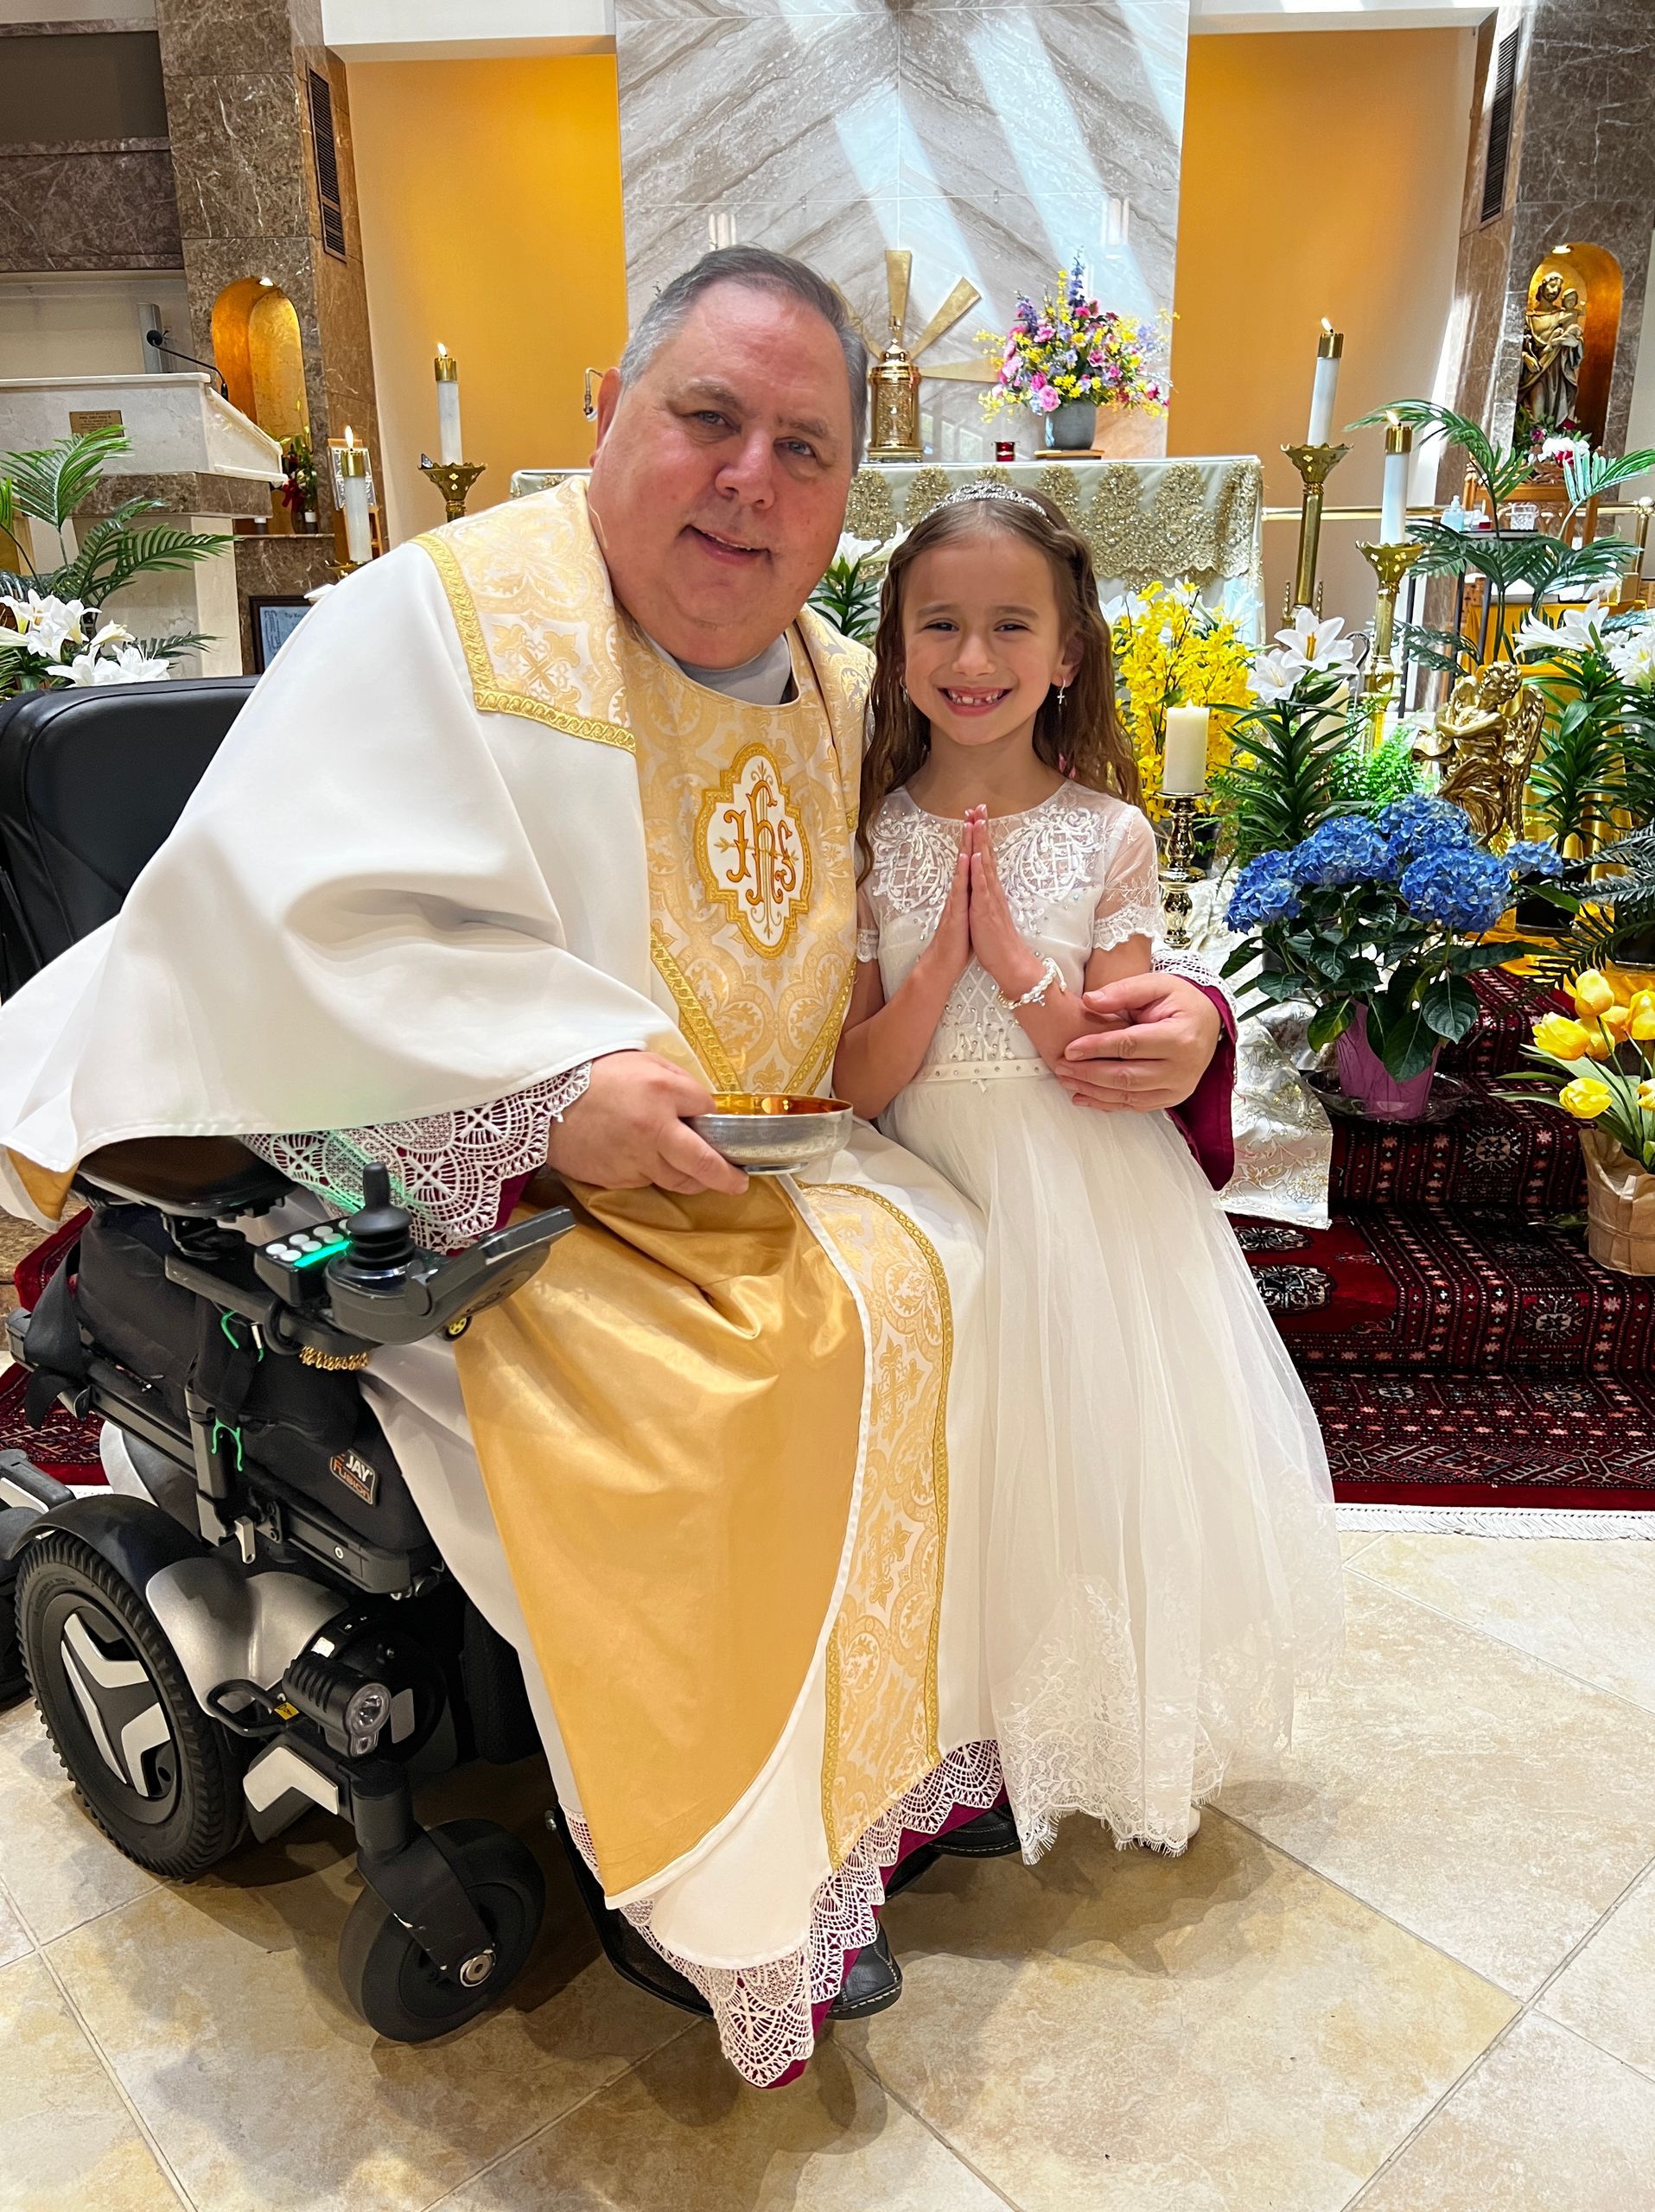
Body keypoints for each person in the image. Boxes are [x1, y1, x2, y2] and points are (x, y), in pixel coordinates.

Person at [0, 250, 1237, 2086]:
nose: (750, 480)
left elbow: (1013, 869)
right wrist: (545, 1093)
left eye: (804, 450)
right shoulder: (436, 624)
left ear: (847, 493)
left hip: (774, 1154)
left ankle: (886, 1770)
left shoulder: (850, 682)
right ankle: (702, 1873)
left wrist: (1185, 1009)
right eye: (706, 418)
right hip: (493, 1180)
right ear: (606, 412)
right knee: (741, 1390)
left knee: (966, 1279)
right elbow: (269, 924)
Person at [834, 483, 1342, 1859]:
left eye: (1012, 626)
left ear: (1068, 653)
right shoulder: (871, 829)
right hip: (924, 1179)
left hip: (1077, 1189)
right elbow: (855, 1082)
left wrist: (1011, 961)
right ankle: (948, 1734)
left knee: (1072, 1458)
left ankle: (1076, 1731)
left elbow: (1100, 1062)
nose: (974, 657)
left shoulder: (1108, 832)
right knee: (955, 1466)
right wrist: (936, 967)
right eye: (940, 623)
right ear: (896, 645)